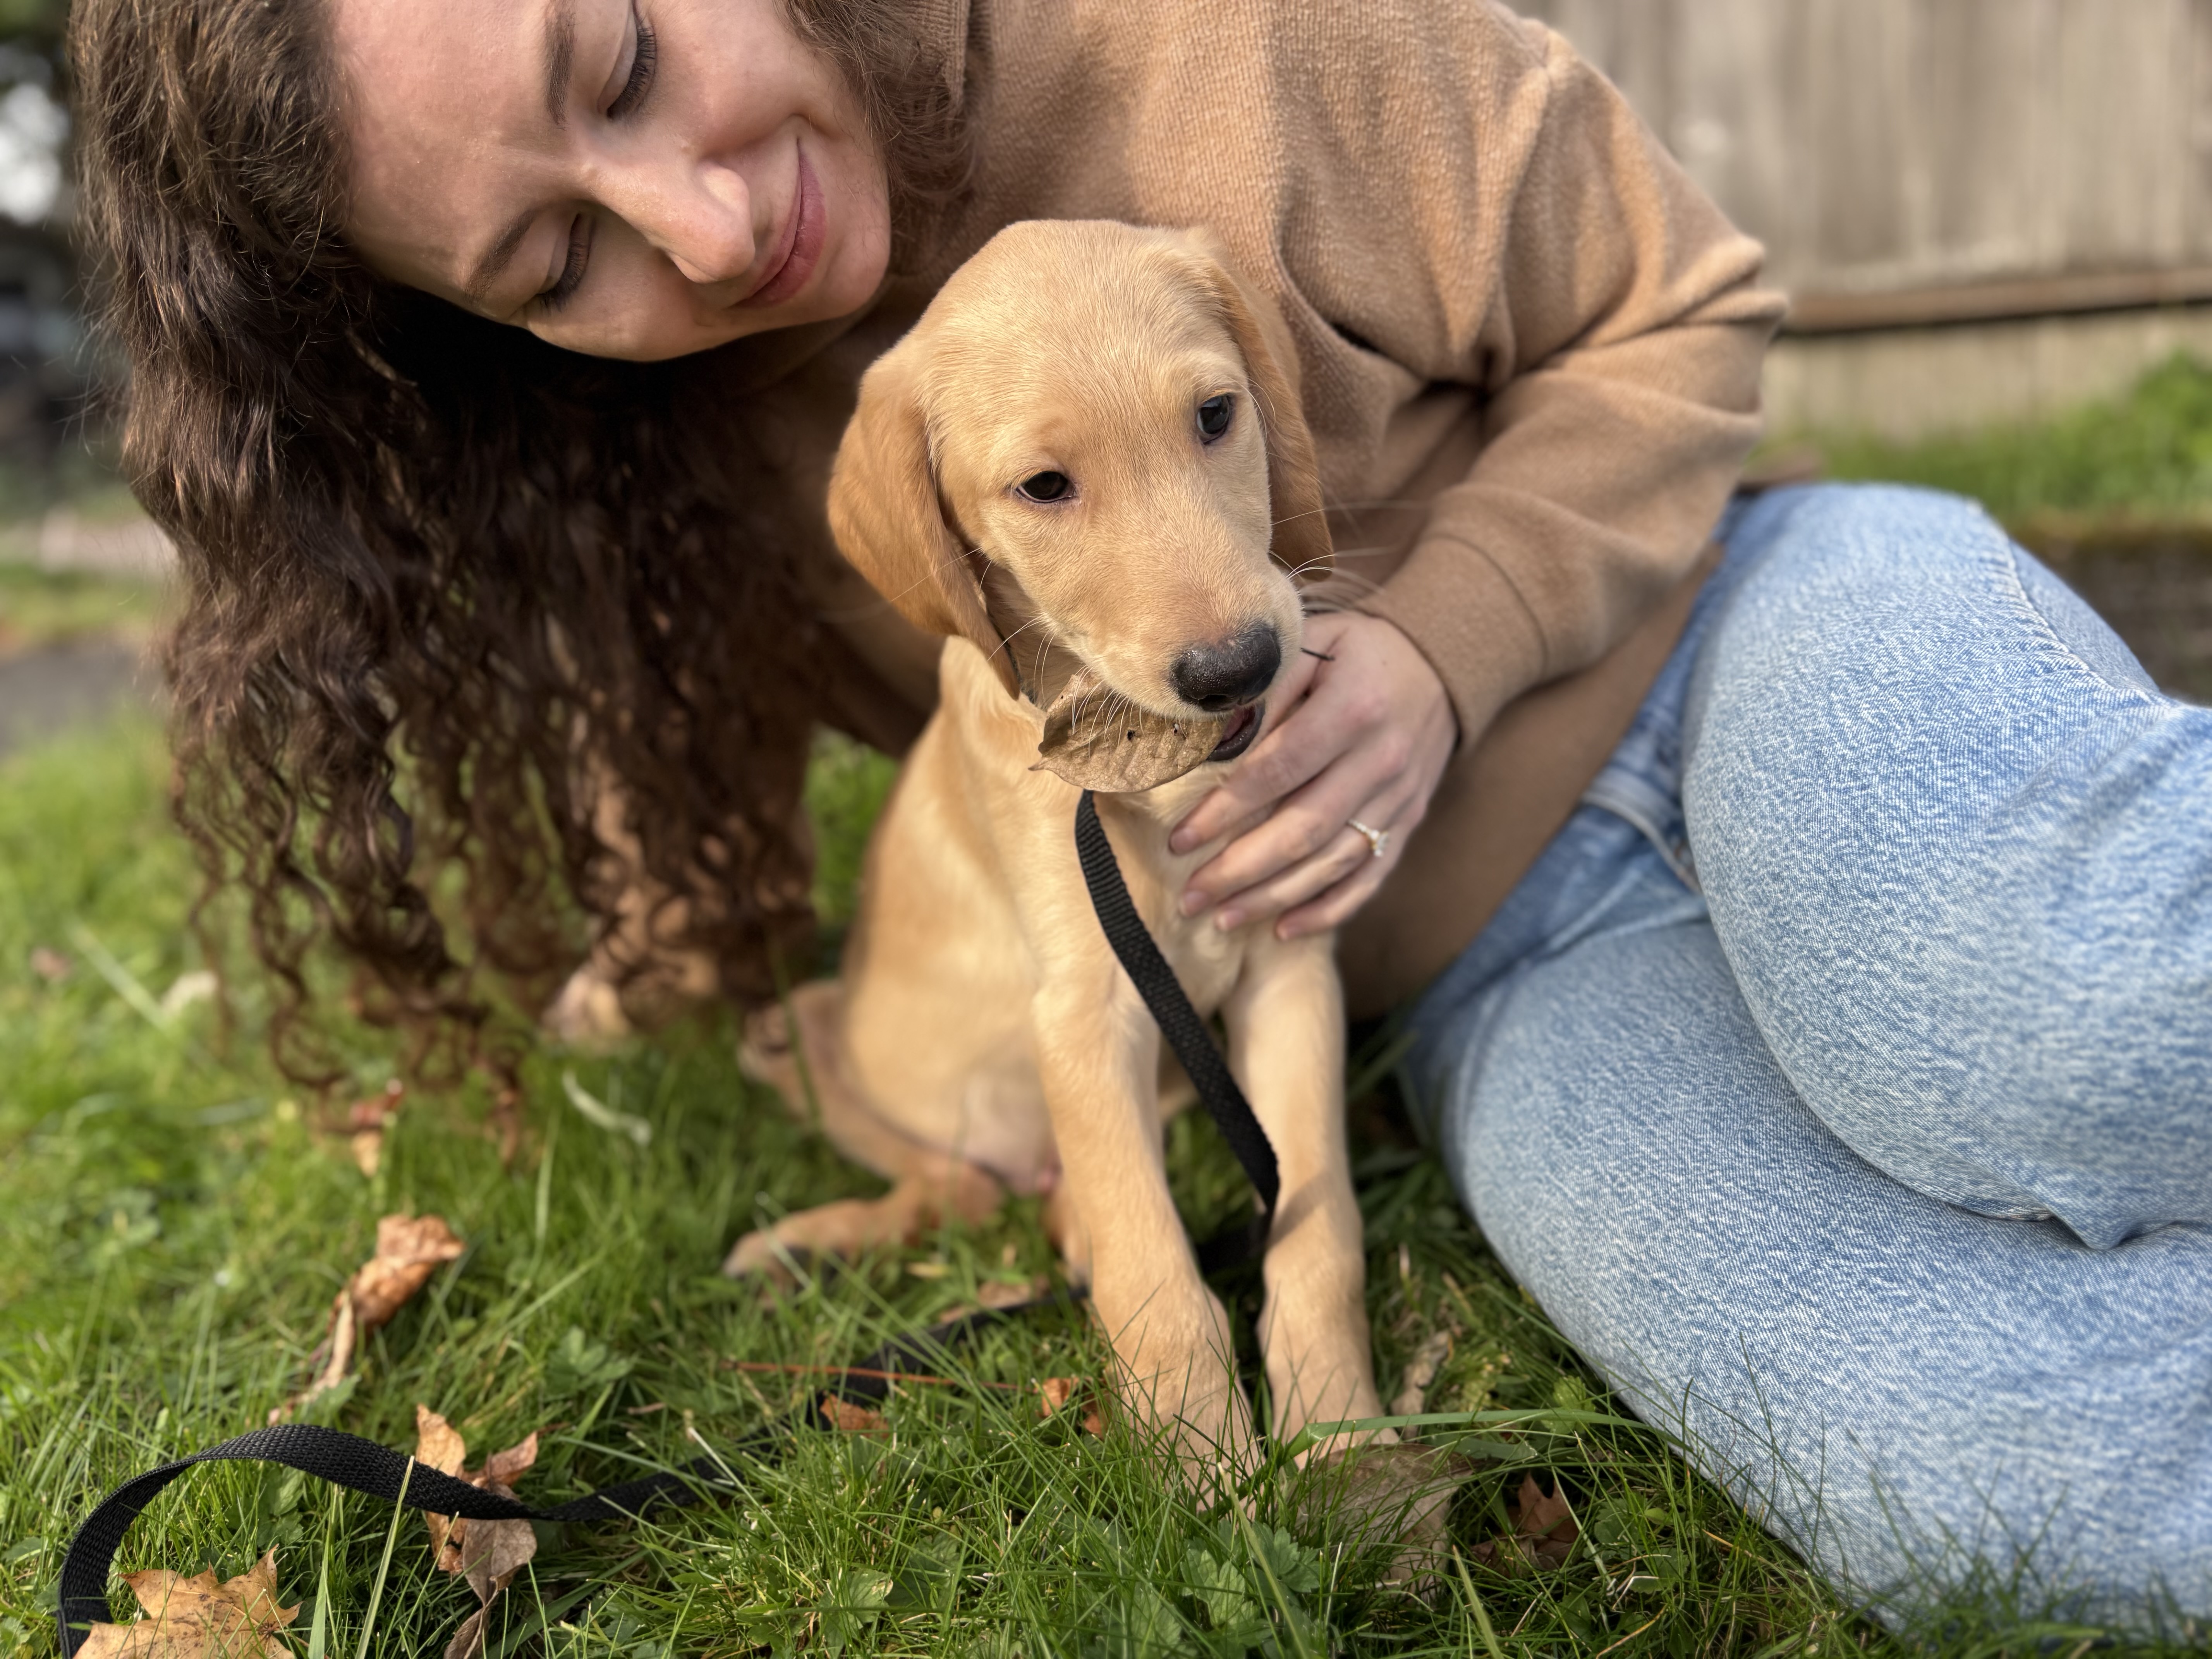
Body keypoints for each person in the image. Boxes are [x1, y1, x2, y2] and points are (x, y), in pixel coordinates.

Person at [67, 0, 2205, 1631]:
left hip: (1740, 635)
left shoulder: (1231, 44)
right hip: (1498, 973)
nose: (702, 231)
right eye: (549, 257)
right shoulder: (683, 461)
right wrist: (660, 971)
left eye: (620, 60)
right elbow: (832, 815)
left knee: (2067, 1017)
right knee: (1984, 1472)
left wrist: (1442, 649)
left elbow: (1691, 301)